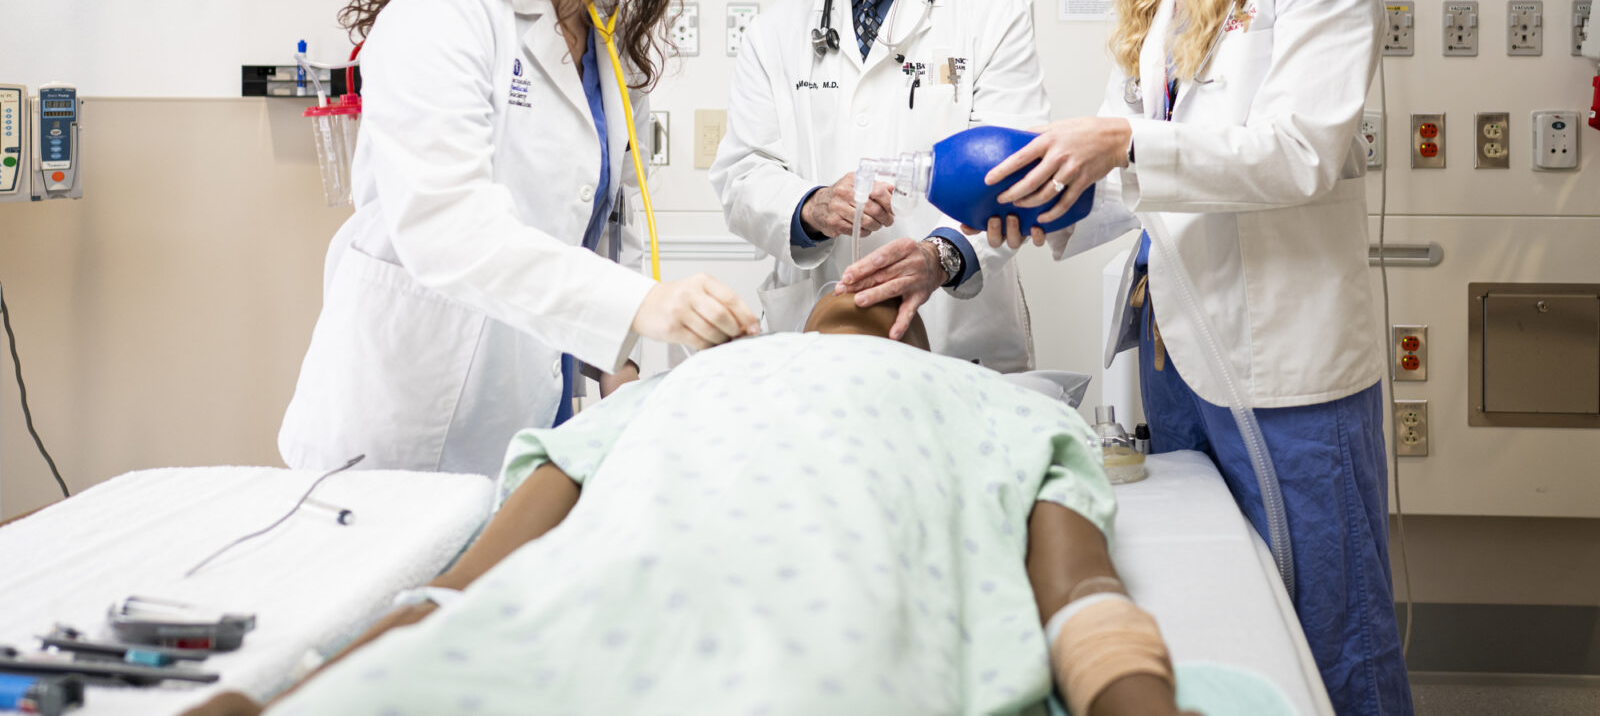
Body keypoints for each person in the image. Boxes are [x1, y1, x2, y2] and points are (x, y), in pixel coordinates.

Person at [976, 0, 1412, 716]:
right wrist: (1041, 202)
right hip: (1175, 352)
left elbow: (1298, 151)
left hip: (1284, 365)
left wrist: (1122, 141)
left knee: (1331, 628)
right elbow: (1134, 172)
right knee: (1220, 612)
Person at [187, 294, 1200, 716]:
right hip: (608, 607)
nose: (850, 291)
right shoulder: (669, 391)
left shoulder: (988, 399)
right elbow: (461, 592)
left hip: (835, 622)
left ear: (916, 347)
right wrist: (284, 691)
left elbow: (1086, 613)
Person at [278, 0, 759, 480]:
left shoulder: (609, 46)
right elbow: (449, 229)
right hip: (403, 423)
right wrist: (646, 306)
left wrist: (619, 365)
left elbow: (605, 225)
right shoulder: (447, 13)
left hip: (532, 406)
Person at [709, 0, 1050, 367]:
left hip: (955, 337)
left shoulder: (992, 12)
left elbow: (1017, 169)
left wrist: (941, 256)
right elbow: (742, 174)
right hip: (821, 337)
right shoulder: (776, 31)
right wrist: (811, 208)